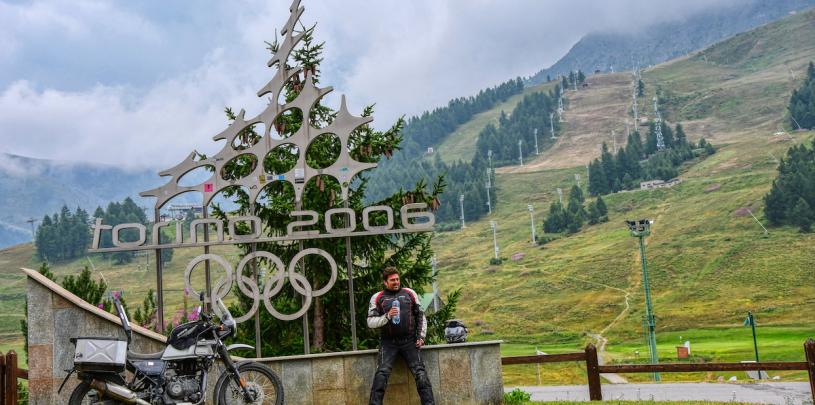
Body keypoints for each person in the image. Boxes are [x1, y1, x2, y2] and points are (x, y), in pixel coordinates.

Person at [367, 266, 435, 405]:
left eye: (397, 279)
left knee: (421, 374)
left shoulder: (410, 293)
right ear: (385, 282)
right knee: (381, 375)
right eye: (392, 280)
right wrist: (386, 316)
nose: (396, 282)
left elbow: (421, 316)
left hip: (409, 341)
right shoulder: (377, 297)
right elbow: (370, 322)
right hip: (388, 342)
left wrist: (420, 337)